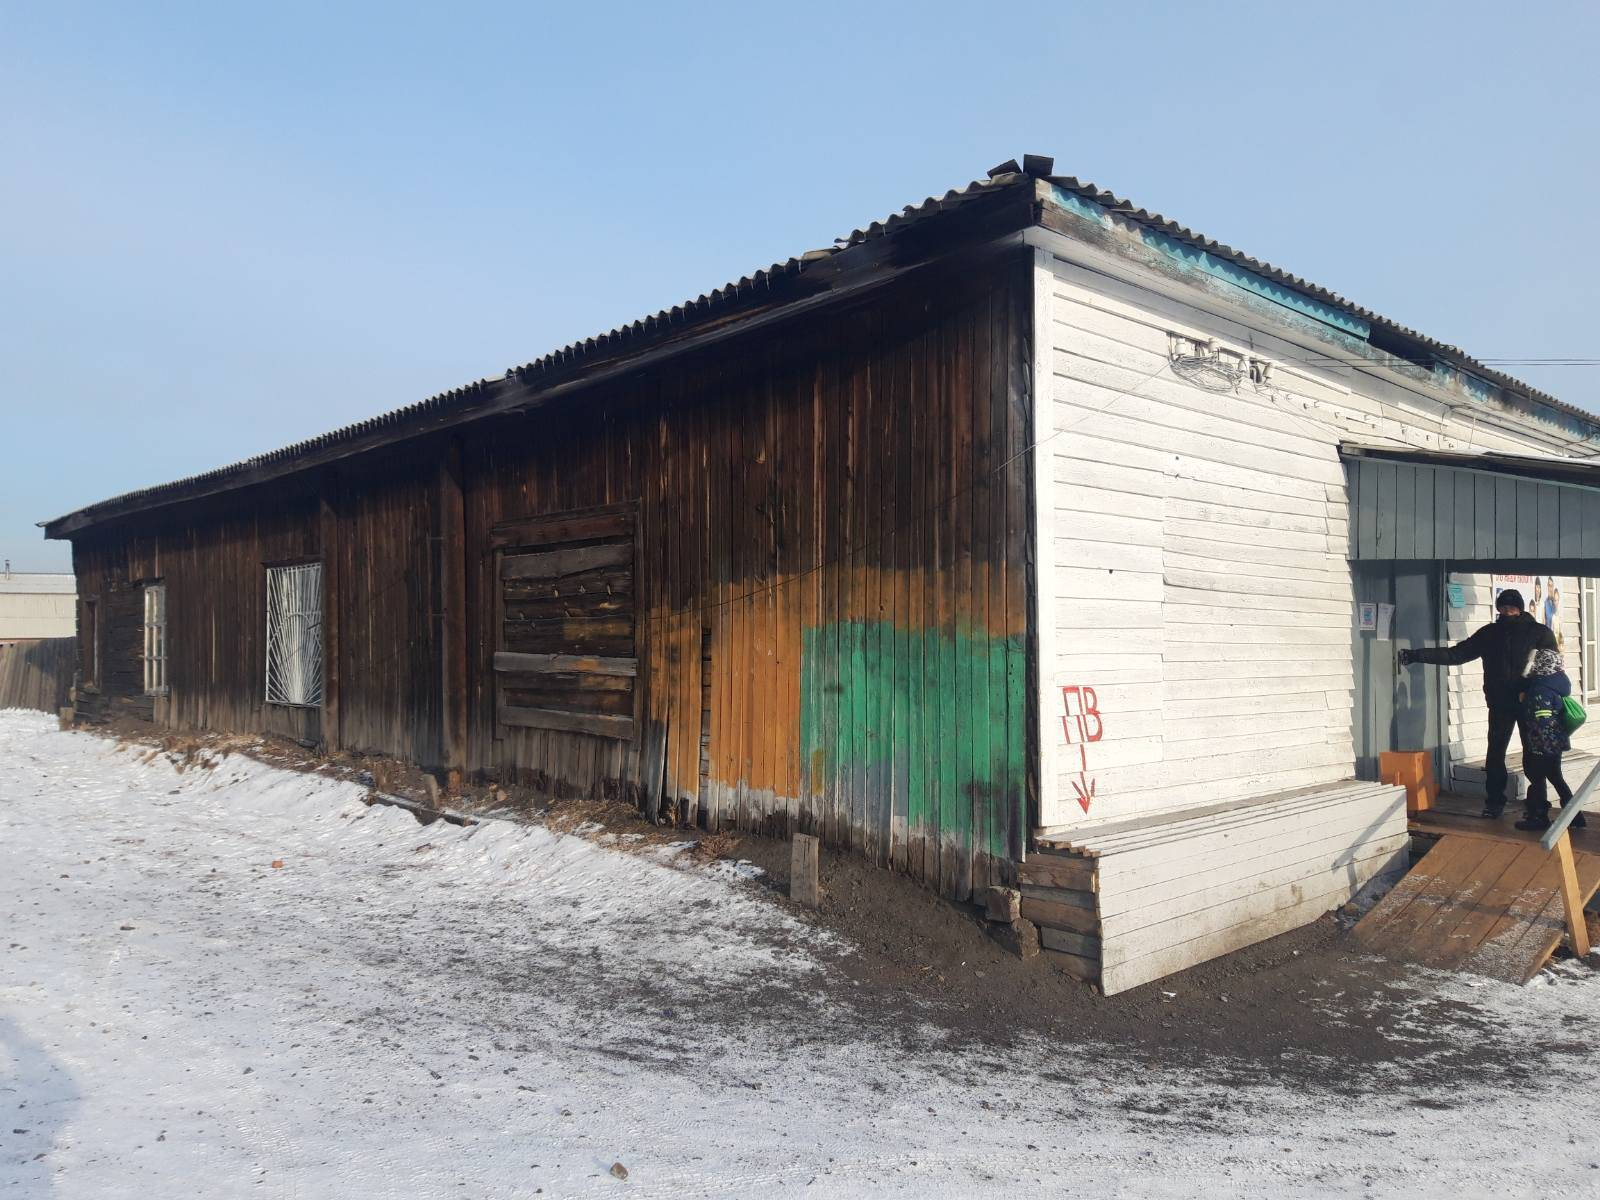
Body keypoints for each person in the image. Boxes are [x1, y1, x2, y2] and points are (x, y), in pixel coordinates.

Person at [1399, 588, 1558, 819]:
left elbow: (1551, 667)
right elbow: (1457, 655)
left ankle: (1538, 805)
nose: (1508, 611)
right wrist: (1416, 655)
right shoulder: (1491, 633)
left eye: (1512, 607)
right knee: (1495, 754)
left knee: (1532, 753)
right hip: (1500, 702)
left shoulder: (1539, 633)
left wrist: (1536, 692)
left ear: (1521, 608)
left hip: (1530, 703)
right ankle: (1494, 802)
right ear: (1498, 609)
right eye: (1503, 607)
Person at [1518, 647, 1586, 832]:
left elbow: (1543, 720)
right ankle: (1575, 816)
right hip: (1555, 743)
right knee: (1556, 778)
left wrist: (1539, 746)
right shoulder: (1556, 683)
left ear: (1540, 665)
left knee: (1537, 778)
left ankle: (1538, 816)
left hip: (1543, 743)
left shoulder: (1541, 689)